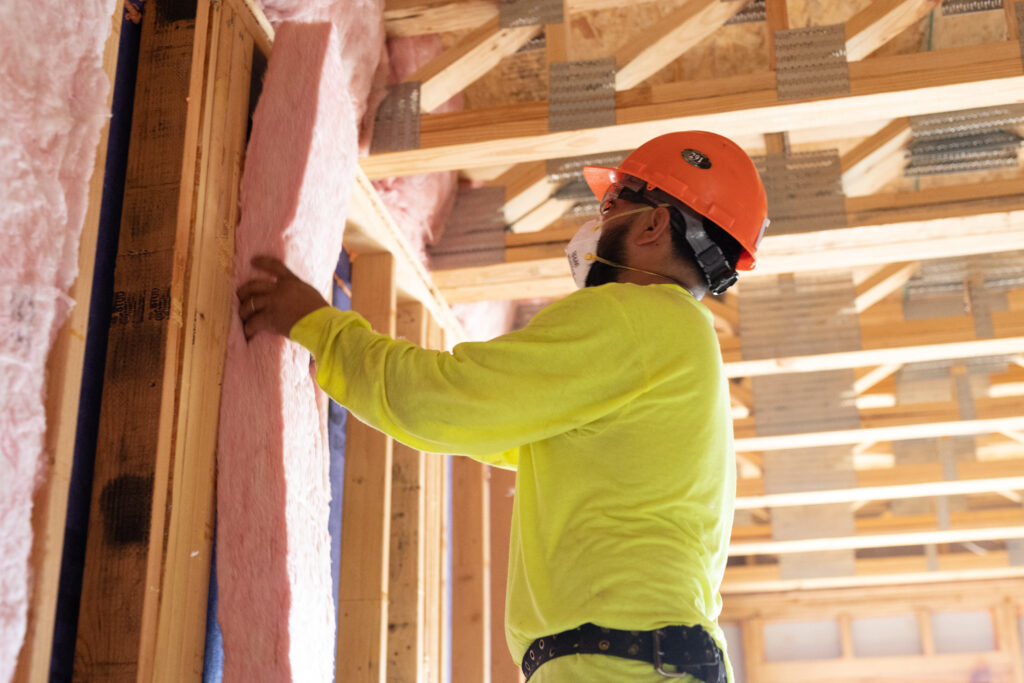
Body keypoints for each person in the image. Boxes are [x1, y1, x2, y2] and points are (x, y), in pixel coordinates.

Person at [238, 131, 769, 682]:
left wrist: (319, 329)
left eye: (612, 204)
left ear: (654, 223)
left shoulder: (638, 317)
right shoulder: (668, 342)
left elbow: (442, 400)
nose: (597, 222)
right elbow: (495, 427)